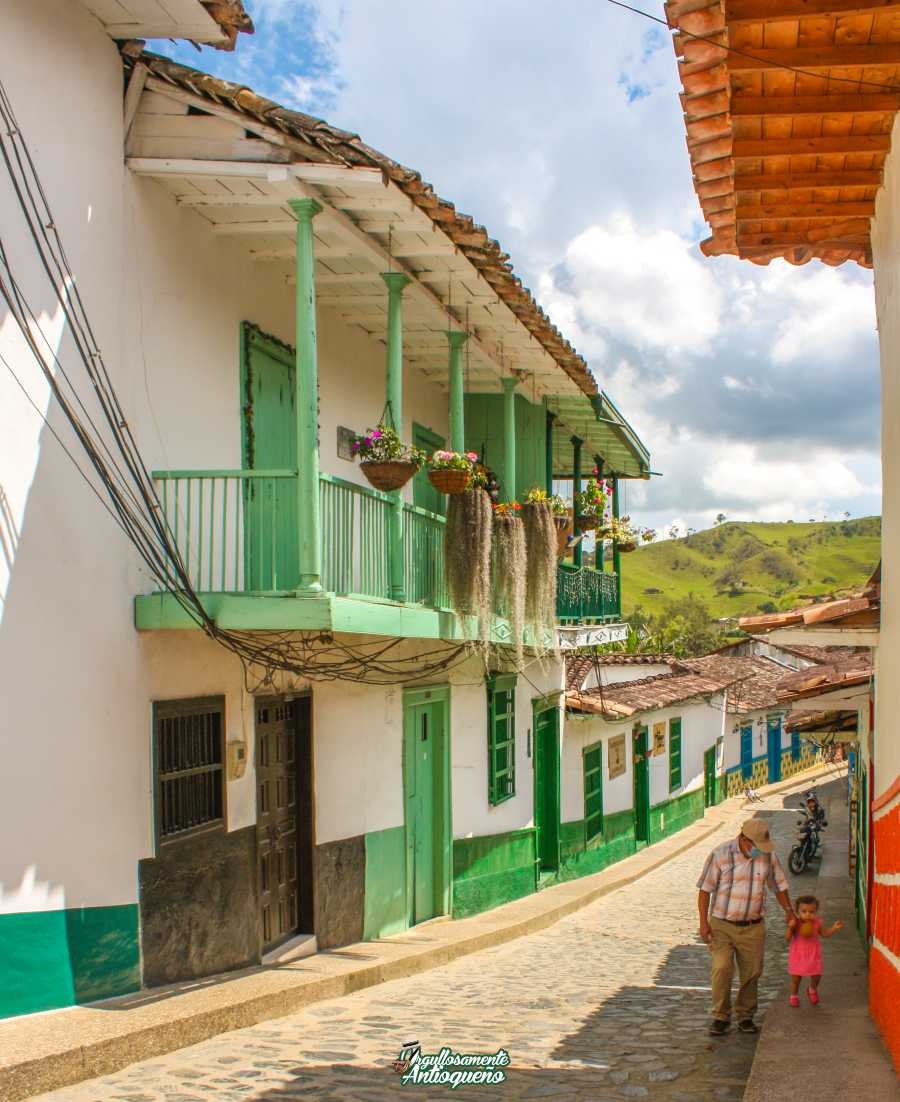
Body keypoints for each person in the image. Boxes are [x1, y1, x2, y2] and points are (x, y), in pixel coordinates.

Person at [697, 818, 794, 1036]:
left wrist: (789, 910)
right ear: (743, 839)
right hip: (722, 924)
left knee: (753, 972)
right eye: (756, 847)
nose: (759, 851)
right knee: (721, 968)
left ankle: (745, 1015)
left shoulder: (767, 857)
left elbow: (778, 885)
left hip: (753, 926)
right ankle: (720, 1016)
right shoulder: (720, 854)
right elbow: (705, 890)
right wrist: (703, 923)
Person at [785, 894, 843, 1007]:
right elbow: (787, 938)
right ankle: (794, 995)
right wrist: (790, 927)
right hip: (798, 956)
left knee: (816, 976)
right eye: (804, 911)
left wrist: (834, 928)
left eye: (811, 912)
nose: (808, 914)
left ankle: (812, 989)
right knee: (796, 979)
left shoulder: (817, 923)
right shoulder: (795, 923)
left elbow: (825, 933)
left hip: (813, 955)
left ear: (816, 912)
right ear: (798, 912)